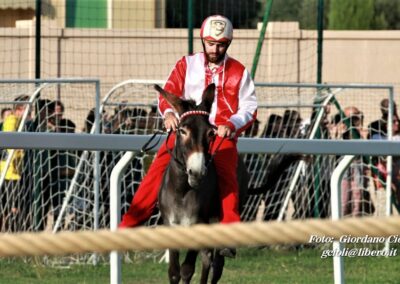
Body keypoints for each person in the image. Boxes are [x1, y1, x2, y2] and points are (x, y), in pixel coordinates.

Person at [120, 15, 257, 257]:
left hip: (219, 136)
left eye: (221, 44)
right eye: (211, 43)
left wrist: (231, 124)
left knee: (228, 176)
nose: (215, 49)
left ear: (229, 44)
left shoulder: (239, 72)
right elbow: (168, 93)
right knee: (157, 169)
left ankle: (229, 234)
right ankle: (129, 227)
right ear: (203, 41)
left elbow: (249, 107)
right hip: (185, 132)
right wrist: (169, 114)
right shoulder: (186, 64)